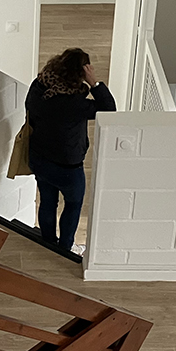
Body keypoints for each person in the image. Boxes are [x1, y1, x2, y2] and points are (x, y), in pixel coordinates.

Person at [25, 47, 116, 252]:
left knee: (47, 202)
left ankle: (48, 242)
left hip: (39, 157)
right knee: (73, 205)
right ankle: (64, 249)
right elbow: (109, 109)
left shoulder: (39, 86)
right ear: (81, 73)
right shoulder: (75, 104)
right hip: (68, 167)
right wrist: (94, 84)